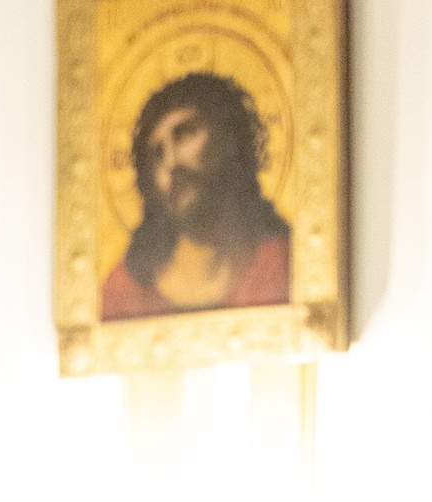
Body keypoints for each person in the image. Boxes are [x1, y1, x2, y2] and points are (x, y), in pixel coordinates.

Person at [99, 72, 292, 320]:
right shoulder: (124, 289)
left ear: (228, 138)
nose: (171, 163)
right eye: (157, 154)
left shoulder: (282, 259)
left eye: (184, 134)